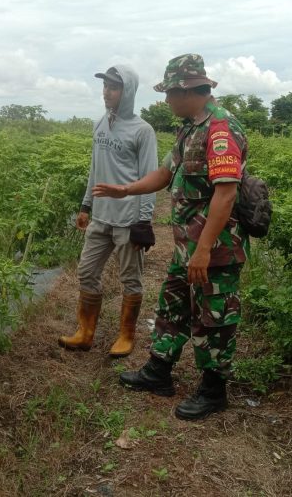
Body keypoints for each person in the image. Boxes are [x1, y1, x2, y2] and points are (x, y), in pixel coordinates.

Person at [92, 54, 249, 420]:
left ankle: (214, 390)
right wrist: (126, 189)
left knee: (214, 317)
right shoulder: (190, 127)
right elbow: (165, 173)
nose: (165, 101)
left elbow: (226, 194)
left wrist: (204, 250)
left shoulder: (220, 129)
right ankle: (158, 371)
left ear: (186, 91)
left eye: (168, 94)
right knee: (173, 304)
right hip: (186, 246)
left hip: (213, 250)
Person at [58, 64, 158, 357]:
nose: (106, 92)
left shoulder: (142, 131)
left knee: (131, 279)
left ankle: (126, 335)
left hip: (128, 219)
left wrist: (144, 221)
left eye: (113, 87)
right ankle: (85, 332)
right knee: (86, 271)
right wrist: (85, 204)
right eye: (105, 86)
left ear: (128, 91)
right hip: (101, 217)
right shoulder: (100, 124)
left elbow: (150, 178)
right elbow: (95, 168)